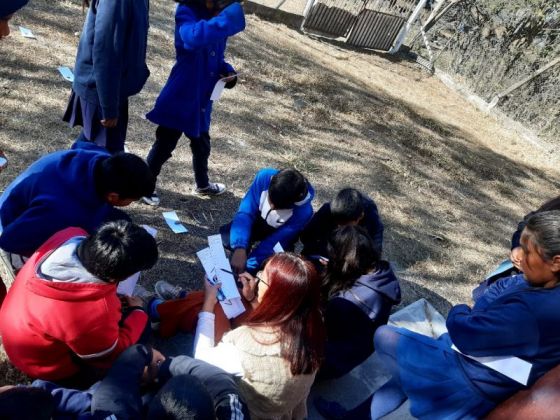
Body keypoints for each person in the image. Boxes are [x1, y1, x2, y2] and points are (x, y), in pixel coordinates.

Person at [317, 210, 560, 420]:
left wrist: (460, 310)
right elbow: (494, 290)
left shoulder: (537, 310)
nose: (517, 254)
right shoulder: (544, 285)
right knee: (403, 379)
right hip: (476, 360)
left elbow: (467, 330)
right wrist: (480, 309)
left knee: (384, 336)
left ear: (556, 261)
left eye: (527, 251)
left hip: (469, 377)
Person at [0, 221, 158, 385]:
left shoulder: (69, 235)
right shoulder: (95, 311)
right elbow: (107, 355)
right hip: (45, 366)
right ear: (119, 277)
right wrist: (138, 313)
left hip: (19, 334)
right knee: (141, 328)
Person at [194, 252, 325, 419]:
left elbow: (201, 358)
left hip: (244, 411)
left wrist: (208, 301)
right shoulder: (313, 325)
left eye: (262, 277)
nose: (257, 278)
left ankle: (164, 308)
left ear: (275, 296)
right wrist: (253, 299)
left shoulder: (251, 347)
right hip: (283, 409)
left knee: (213, 309)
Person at [142, 0, 246, 205]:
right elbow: (191, 39)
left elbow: (217, 57)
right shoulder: (187, 11)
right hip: (181, 95)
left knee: (202, 145)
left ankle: (202, 184)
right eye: (217, 4)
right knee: (164, 144)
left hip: (202, 100)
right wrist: (224, 20)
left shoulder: (216, 16)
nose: (218, 9)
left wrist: (228, 72)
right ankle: (145, 185)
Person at [0, 146, 155, 258]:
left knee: (123, 222)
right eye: (132, 200)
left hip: (35, 194)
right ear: (113, 196)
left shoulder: (99, 157)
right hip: (10, 220)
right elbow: (10, 241)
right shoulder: (63, 212)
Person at [62, 0, 150, 153]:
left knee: (96, 150)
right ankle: (59, 172)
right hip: (101, 88)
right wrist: (108, 107)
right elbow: (106, 51)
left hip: (114, 87)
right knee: (106, 156)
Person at [319, 226, 400, 380]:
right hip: (354, 352)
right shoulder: (382, 272)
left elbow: (321, 329)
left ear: (344, 262)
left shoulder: (345, 303)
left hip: (330, 361)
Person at [221, 168, 314, 274]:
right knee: (228, 238)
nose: (272, 206)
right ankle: (245, 246)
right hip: (257, 221)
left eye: (279, 207)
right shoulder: (264, 177)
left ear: (293, 203)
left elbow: (275, 242)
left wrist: (249, 265)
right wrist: (240, 246)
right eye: (271, 200)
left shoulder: (303, 212)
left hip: (278, 234)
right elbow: (246, 212)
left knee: (274, 267)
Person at [301, 188, 384, 261]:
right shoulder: (329, 209)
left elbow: (374, 256)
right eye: (338, 223)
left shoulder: (372, 222)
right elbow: (306, 236)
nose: (339, 227)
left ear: (360, 217)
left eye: (345, 225)